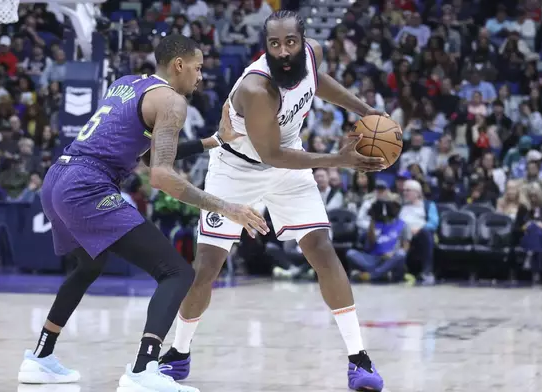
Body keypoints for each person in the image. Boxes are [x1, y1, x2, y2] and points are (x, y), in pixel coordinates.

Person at [17, 34, 269, 392]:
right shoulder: (173, 102)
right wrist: (228, 207)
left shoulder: (126, 84)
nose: (200, 77)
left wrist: (214, 141)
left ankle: (40, 357)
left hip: (57, 177)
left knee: (89, 265)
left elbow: (149, 155)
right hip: (88, 186)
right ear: (179, 65)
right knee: (177, 273)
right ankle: (143, 369)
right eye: (197, 68)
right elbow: (161, 176)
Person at [159, 11, 386, 392]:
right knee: (207, 268)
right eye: (274, 44)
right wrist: (339, 160)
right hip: (238, 169)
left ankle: (358, 360)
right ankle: (178, 353)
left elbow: (317, 83)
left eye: (290, 43)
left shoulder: (311, 56)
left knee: (321, 249)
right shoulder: (257, 88)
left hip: (289, 162)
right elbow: (271, 155)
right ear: (265, 47)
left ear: (303, 40)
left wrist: (366, 111)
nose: (283, 51)